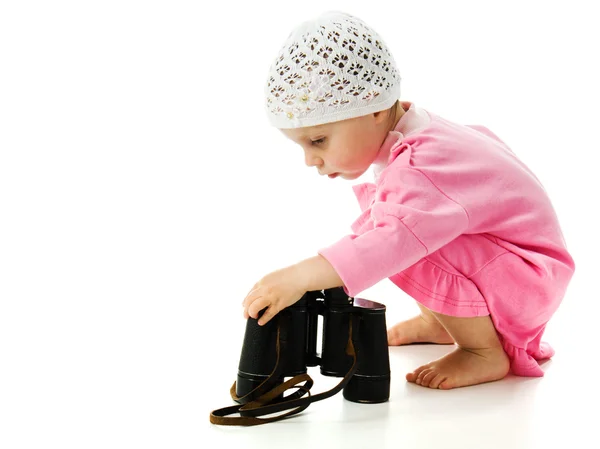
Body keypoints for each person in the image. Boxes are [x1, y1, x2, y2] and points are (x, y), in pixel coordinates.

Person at [241, 10, 575, 389]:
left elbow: (386, 244)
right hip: (523, 273)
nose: (311, 160)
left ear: (375, 108)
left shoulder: (421, 168)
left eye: (318, 140)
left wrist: (300, 276)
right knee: (402, 229)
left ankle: (482, 351)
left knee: (401, 237)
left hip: (527, 282)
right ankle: (442, 321)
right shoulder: (419, 133)